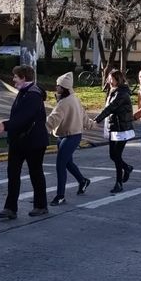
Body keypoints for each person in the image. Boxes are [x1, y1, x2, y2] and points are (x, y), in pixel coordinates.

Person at [0, 65, 50, 218]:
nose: (13, 80)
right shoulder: (24, 92)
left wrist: (5, 125)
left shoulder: (33, 95)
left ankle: (41, 205)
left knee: (35, 173)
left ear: (24, 78)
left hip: (34, 142)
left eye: (16, 77)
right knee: (13, 174)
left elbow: (24, 118)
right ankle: (10, 208)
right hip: (18, 141)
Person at [45, 72, 92, 205]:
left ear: (64, 87)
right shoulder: (73, 98)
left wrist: (40, 131)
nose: (56, 87)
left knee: (60, 164)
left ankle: (60, 196)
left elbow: (52, 120)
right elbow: (83, 115)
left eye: (58, 85)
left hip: (71, 136)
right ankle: (83, 181)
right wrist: (90, 124)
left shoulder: (64, 102)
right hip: (66, 135)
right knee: (67, 163)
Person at [93, 69, 135, 193]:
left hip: (122, 128)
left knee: (116, 155)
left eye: (111, 79)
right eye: (109, 78)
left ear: (118, 79)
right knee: (112, 155)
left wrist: (97, 119)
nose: (109, 81)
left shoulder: (121, 93)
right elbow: (108, 107)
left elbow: (111, 108)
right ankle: (127, 167)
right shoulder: (112, 91)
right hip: (114, 126)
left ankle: (119, 183)